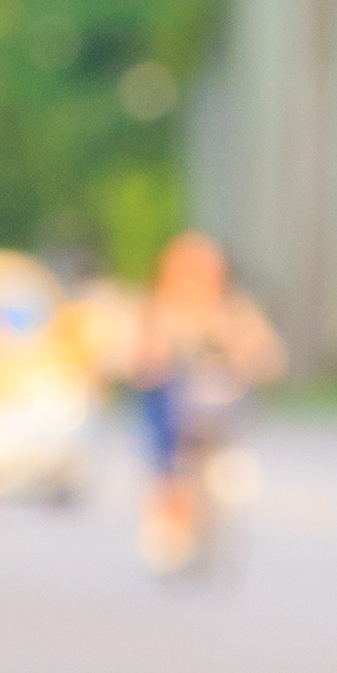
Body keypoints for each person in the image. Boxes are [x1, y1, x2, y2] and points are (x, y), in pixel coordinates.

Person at [132, 231, 283, 576]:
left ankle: (220, 497)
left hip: (220, 406)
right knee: (163, 440)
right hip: (173, 403)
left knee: (231, 443)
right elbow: (137, 355)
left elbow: (269, 354)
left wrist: (247, 362)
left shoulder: (233, 310)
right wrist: (152, 360)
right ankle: (168, 514)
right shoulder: (158, 309)